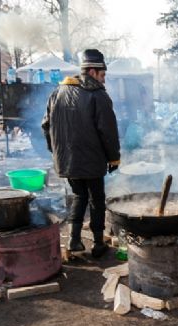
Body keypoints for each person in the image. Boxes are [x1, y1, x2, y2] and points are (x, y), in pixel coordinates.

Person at [42, 49, 120, 258]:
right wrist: (114, 157)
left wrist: (55, 151)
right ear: (93, 71)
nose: (104, 81)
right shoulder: (97, 95)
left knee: (78, 195)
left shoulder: (57, 92)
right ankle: (97, 243)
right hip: (92, 160)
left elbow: (46, 125)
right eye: (102, 75)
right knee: (96, 199)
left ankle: (74, 240)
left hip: (67, 160)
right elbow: (108, 131)